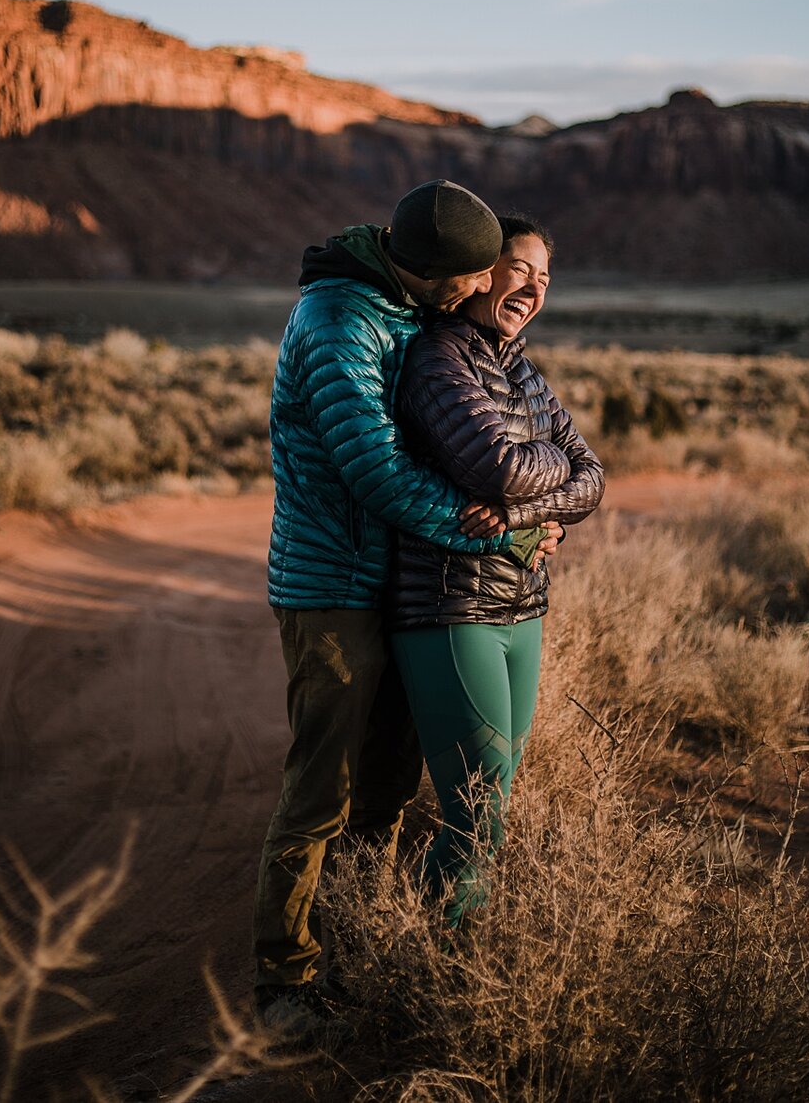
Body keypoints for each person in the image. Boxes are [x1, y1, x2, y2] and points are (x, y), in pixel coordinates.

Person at [253, 182, 556, 1033]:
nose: (477, 291)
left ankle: (353, 947)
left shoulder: (404, 306)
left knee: (383, 788)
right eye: (468, 278)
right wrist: (509, 539)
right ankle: (284, 982)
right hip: (331, 590)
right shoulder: (340, 323)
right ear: (426, 272)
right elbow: (378, 472)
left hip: (395, 583)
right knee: (323, 789)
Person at [388, 214, 604, 926]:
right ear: (482, 270)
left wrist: (519, 513)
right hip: (452, 607)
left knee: (494, 802)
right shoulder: (437, 357)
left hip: (523, 603)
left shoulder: (519, 369)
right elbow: (498, 463)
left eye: (545, 277)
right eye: (520, 268)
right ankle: (427, 959)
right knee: (475, 809)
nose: (533, 287)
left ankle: (438, 949)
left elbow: (593, 477)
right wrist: (549, 475)